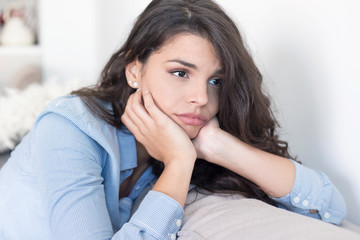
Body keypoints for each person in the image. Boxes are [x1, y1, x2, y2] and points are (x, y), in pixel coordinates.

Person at [0, 0, 346, 239]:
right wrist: (179, 163)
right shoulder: (69, 130)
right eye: (180, 72)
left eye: (216, 81)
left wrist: (218, 145)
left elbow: (329, 208)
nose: (202, 98)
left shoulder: (185, 136)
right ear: (134, 69)